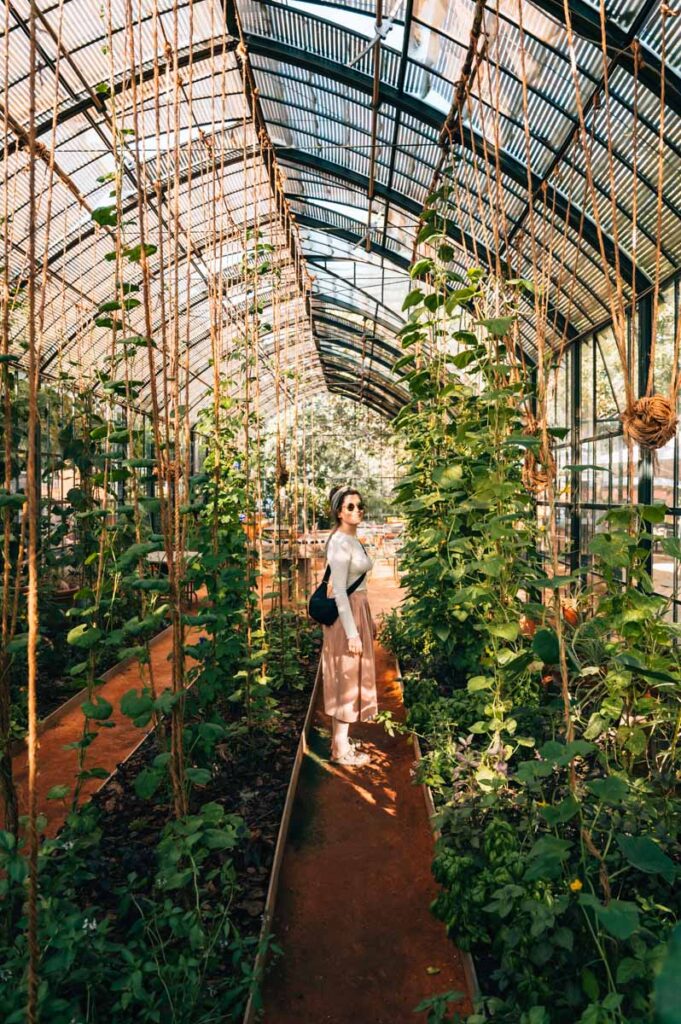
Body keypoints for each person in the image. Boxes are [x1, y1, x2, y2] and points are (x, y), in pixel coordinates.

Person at [321, 485, 378, 767]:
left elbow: (360, 583)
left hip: (358, 610)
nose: (357, 510)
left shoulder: (352, 538)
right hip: (347, 616)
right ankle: (340, 751)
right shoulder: (340, 542)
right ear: (338, 512)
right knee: (346, 677)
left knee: (351, 675)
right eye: (350, 507)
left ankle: (340, 743)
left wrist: (368, 618)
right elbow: (340, 591)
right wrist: (353, 632)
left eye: (359, 505)